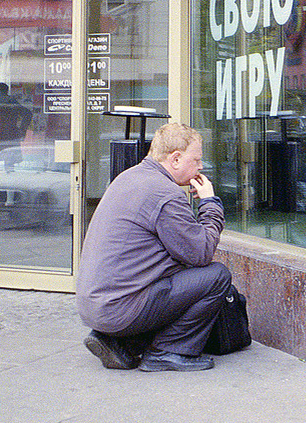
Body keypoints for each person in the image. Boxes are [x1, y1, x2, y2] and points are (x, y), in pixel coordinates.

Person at [76, 122, 231, 372]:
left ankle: (120, 343)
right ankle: (168, 351)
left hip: (95, 307)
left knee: (176, 276)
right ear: (176, 159)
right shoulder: (165, 193)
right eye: (196, 160)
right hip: (119, 309)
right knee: (216, 276)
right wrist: (210, 203)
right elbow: (201, 253)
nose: (201, 167)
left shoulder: (128, 177)